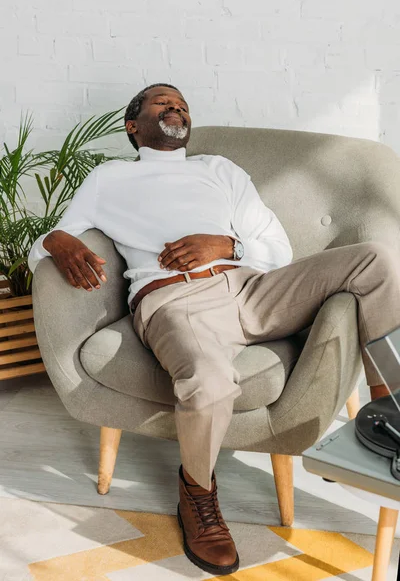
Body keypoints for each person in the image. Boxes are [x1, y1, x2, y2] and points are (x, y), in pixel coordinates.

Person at [28, 82, 397, 576]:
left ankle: (389, 410)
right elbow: (46, 242)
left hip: (253, 288)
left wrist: (225, 246)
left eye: (181, 103)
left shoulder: (218, 170)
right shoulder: (108, 178)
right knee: (207, 381)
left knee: (378, 259)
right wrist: (56, 240)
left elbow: (277, 247)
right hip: (176, 302)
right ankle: (198, 493)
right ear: (132, 126)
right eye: (162, 102)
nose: (176, 106)